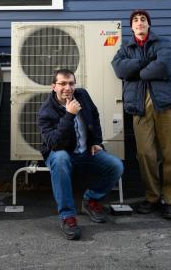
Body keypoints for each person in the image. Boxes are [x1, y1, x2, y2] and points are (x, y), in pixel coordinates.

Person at [111, 9, 171, 219]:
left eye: (143, 19)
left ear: (148, 25)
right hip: (139, 106)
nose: (140, 22)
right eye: (135, 20)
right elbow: (119, 70)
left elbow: (164, 67)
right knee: (145, 154)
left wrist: (139, 72)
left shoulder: (163, 43)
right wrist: (145, 63)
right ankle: (152, 197)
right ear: (131, 26)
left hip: (167, 104)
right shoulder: (125, 48)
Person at [37, 69, 124, 240]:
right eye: (62, 83)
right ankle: (67, 216)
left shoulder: (82, 95)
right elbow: (54, 144)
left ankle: (91, 200)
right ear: (53, 86)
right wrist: (69, 115)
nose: (67, 87)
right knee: (61, 158)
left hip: (85, 151)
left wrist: (96, 142)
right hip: (60, 154)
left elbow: (95, 115)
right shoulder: (45, 112)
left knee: (116, 166)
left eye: (71, 83)